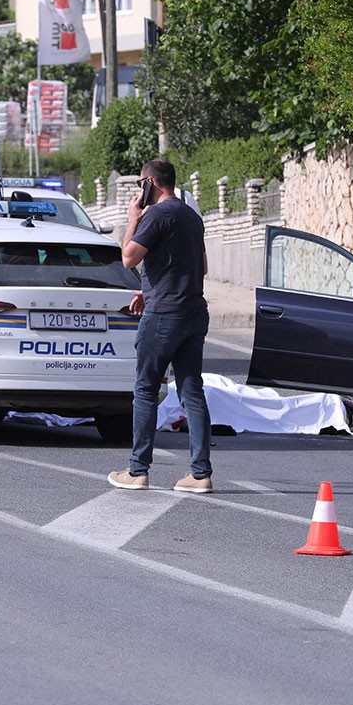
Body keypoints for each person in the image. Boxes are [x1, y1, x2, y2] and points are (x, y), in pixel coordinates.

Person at [108, 160, 214, 494]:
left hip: (164, 315)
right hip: (194, 311)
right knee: (191, 391)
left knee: (145, 389)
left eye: (141, 183)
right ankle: (200, 474)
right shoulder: (190, 217)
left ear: (150, 183)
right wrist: (149, 289)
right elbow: (202, 266)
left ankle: (137, 470)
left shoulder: (155, 215)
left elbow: (128, 258)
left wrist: (132, 221)